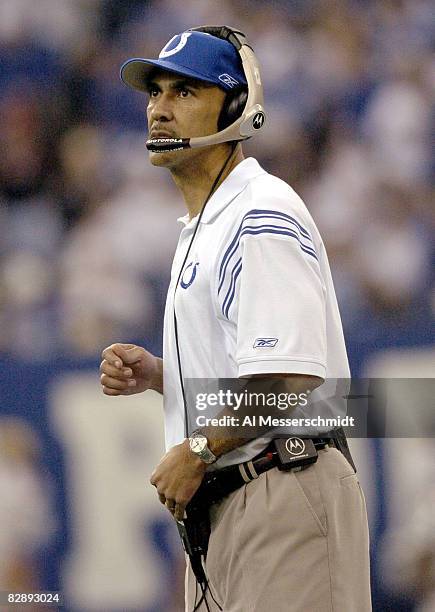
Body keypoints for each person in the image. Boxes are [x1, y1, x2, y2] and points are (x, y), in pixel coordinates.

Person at [100, 27, 371, 611]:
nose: (159, 109)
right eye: (156, 93)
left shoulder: (260, 212)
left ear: (237, 107)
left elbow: (290, 379)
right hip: (236, 502)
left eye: (185, 93)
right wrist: (162, 375)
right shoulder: (211, 221)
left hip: (280, 489)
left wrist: (198, 448)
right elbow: (253, 369)